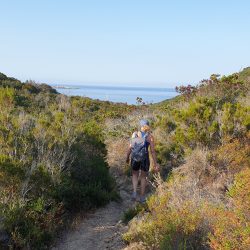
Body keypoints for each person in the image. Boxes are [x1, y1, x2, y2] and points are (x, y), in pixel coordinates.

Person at [126, 119, 160, 203]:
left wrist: (127, 157)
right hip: (145, 159)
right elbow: (152, 151)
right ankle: (142, 197)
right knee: (143, 177)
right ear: (148, 126)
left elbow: (130, 147)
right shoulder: (150, 136)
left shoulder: (134, 134)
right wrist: (155, 163)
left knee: (134, 174)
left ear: (140, 126)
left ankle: (134, 193)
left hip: (134, 158)